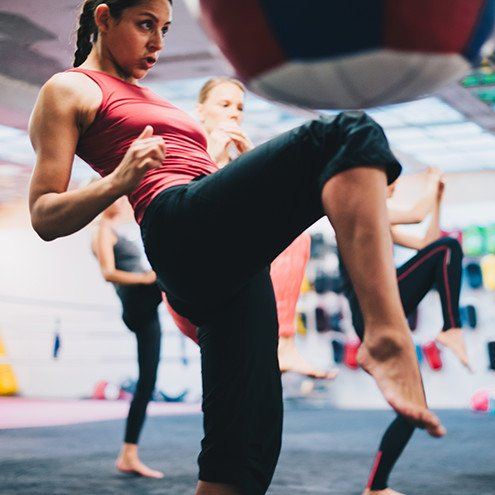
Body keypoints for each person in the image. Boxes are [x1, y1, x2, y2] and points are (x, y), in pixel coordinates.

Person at [28, 1, 444, 493]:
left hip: (228, 260)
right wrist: (119, 180)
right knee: (345, 134)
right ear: (103, 19)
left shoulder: (150, 97)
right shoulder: (69, 87)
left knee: (245, 456)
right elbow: (43, 215)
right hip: (176, 225)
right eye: (145, 26)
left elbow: (198, 175)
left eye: (164, 29)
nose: (158, 44)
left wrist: (234, 169)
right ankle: (384, 338)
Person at [166, 76, 334, 379]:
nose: (234, 113)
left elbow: (279, 214)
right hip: (188, 282)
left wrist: (251, 160)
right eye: (225, 105)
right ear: (201, 111)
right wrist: (213, 157)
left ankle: (282, 346)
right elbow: (182, 220)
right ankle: (280, 347)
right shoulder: (181, 152)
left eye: (240, 108)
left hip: (233, 286)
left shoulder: (236, 165)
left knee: (295, 235)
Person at [339, 168, 468, 495]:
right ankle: (451, 327)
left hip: (380, 314)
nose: (394, 189)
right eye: (390, 183)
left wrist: (437, 199)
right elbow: (415, 216)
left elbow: (427, 241)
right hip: (371, 305)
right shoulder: (355, 208)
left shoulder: (379, 220)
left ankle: (376, 487)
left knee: (415, 408)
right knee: (448, 248)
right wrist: (429, 181)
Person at [92, 195, 164, 478]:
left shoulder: (118, 230)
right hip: (137, 301)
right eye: (115, 196)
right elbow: (108, 273)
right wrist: (147, 279)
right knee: (170, 271)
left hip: (146, 304)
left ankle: (128, 453)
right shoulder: (102, 230)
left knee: (148, 381)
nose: (121, 201)